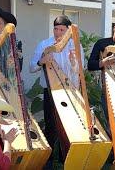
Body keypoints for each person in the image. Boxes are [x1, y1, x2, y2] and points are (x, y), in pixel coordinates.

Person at [29, 15, 85, 167]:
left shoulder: (76, 46)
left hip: (70, 90)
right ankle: (48, 160)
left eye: (62, 30)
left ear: (68, 31)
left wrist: (74, 61)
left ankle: (65, 156)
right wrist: (42, 61)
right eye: (56, 29)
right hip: (51, 91)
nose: (58, 32)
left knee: (70, 125)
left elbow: (79, 71)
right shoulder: (44, 44)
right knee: (51, 124)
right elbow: (32, 67)